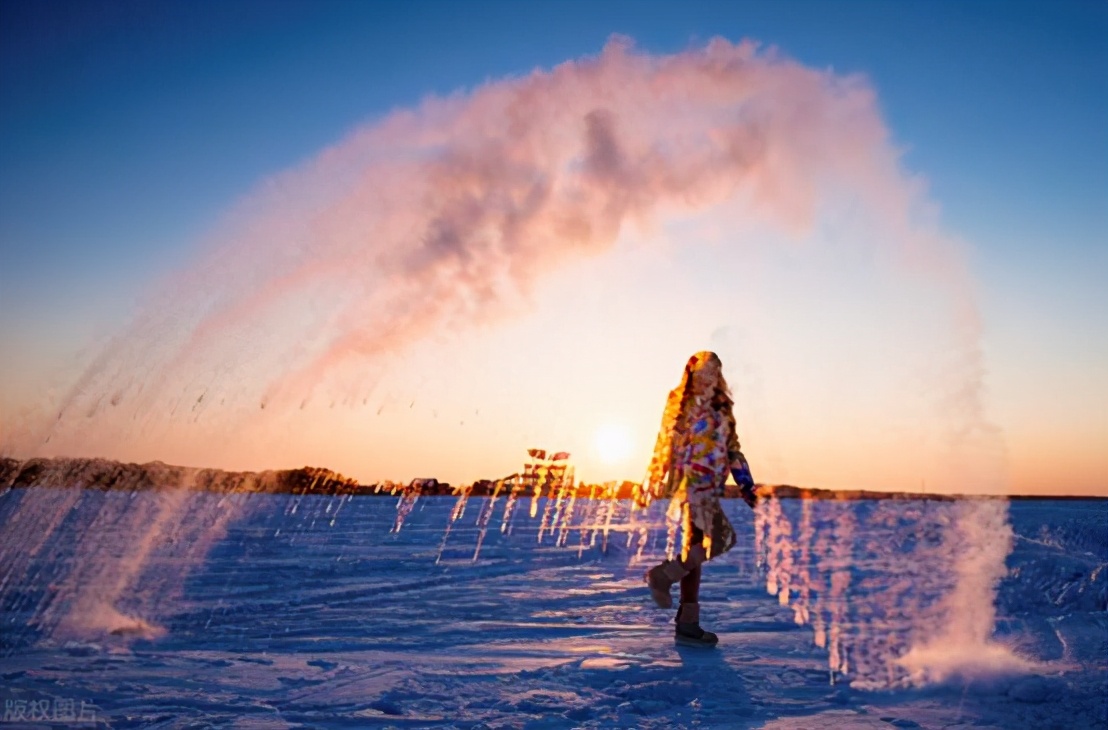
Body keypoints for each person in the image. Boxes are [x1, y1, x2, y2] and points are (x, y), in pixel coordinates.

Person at [641, 351, 757, 646]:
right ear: (691, 374)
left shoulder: (723, 408)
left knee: (697, 548)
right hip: (690, 482)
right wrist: (654, 476)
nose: (707, 377)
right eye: (701, 372)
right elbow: (664, 440)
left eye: (713, 372)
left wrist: (745, 485)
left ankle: (687, 624)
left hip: (710, 484)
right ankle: (663, 577)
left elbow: (733, 450)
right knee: (719, 540)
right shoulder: (680, 401)